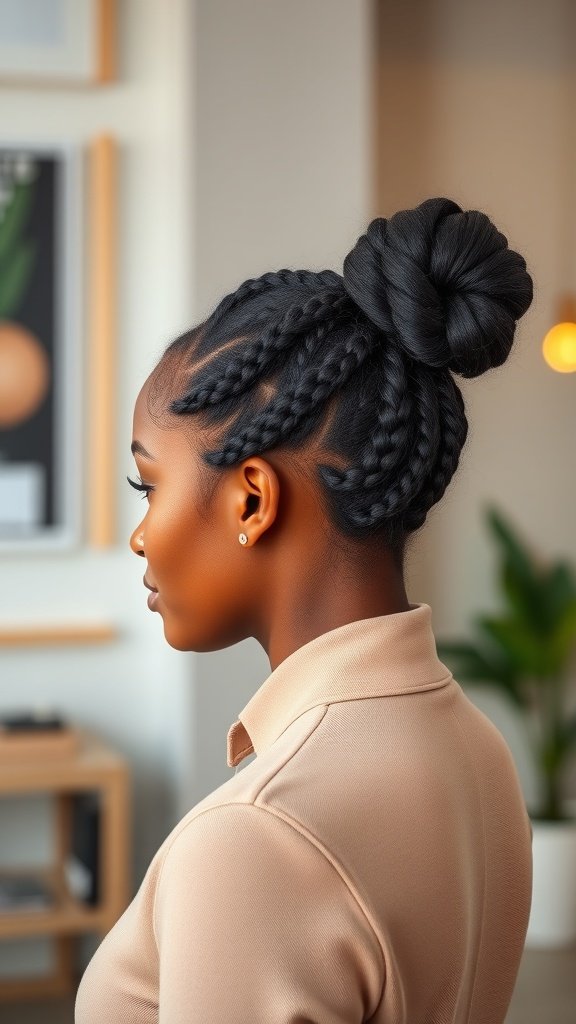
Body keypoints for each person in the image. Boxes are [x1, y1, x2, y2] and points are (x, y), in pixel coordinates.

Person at [75, 197, 534, 1023]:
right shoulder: (478, 749)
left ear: (252, 500)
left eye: (149, 485)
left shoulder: (257, 837)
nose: (140, 537)